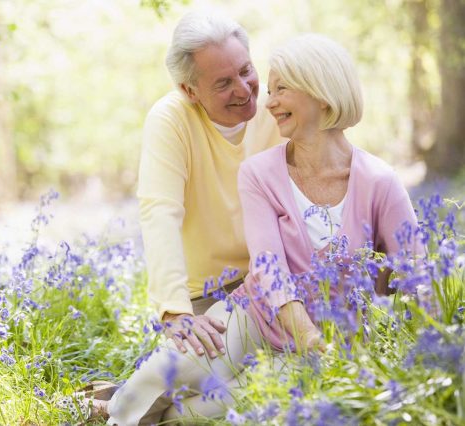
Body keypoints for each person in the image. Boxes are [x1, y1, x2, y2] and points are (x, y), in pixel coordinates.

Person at [104, 33, 421, 425]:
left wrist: (414, 346)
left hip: (330, 339)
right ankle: (110, 415)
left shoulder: (380, 181)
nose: (267, 102)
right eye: (269, 90)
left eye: (280, 89)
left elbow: (417, 274)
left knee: (199, 413)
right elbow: (269, 269)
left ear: (321, 94)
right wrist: (308, 338)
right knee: (162, 373)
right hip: (254, 314)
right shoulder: (260, 172)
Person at [137, 10, 282, 361]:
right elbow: (160, 213)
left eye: (246, 70)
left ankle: (116, 404)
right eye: (223, 83)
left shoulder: (276, 109)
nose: (244, 89)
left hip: (269, 281)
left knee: (268, 371)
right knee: (200, 367)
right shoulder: (171, 120)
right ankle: (117, 405)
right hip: (205, 292)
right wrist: (176, 312)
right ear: (190, 90)